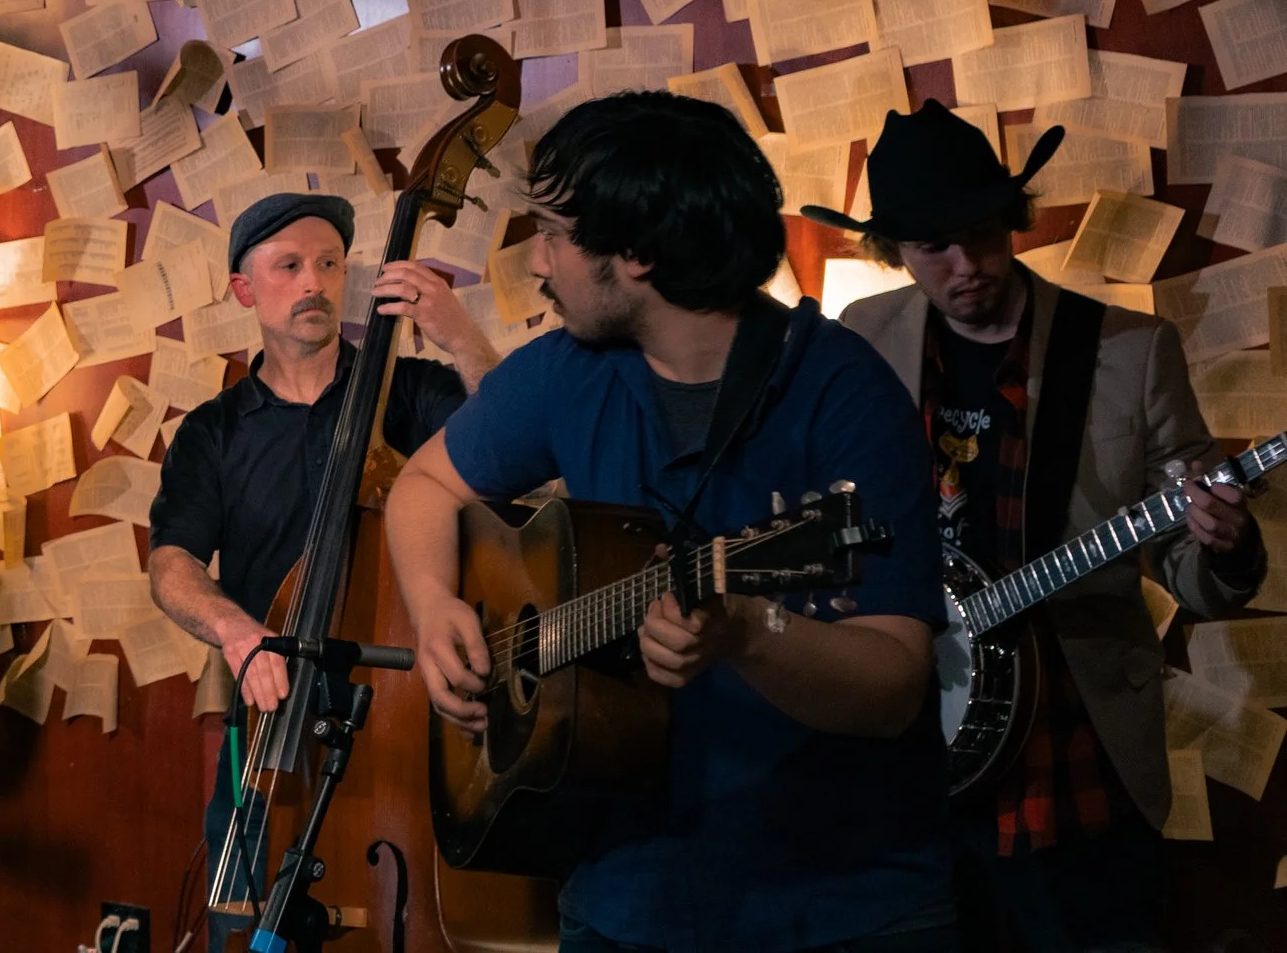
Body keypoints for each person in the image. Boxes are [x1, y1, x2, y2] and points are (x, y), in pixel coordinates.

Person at [387, 91, 955, 953]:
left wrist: (749, 635)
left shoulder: (845, 394)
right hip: (623, 896)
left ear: (640, 254)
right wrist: (435, 609)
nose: (538, 261)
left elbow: (895, 683)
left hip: (843, 905)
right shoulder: (567, 372)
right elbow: (424, 486)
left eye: (555, 234)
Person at [803, 102, 1266, 953]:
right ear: (895, 251)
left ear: (1010, 223)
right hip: (910, 741)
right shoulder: (863, 337)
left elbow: (1186, 559)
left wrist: (1223, 544)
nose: (962, 265)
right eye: (930, 247)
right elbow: (826, 513)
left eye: (980, 235)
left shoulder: (1130, 349)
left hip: (1069, 741)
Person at [146, 191, 501, 941]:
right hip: (274, 731)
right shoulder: (213, 433)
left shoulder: (407, 394)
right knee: (242, 932)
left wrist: (460, 334)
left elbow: (519, 446)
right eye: (290, 266)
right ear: (246, 289)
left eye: (330, 264)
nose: (315, 282)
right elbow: (172, 563)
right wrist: (238, 634)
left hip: (409, 718)